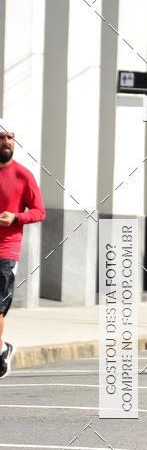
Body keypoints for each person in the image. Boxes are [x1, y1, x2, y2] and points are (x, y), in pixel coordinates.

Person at [0, 120, 46, 377]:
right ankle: (2, 349)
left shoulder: (22, 175)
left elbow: (39, 211)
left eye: (10, 137)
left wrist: (16, 217)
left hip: (7, 251)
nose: (6, 142)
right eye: (2, 137)